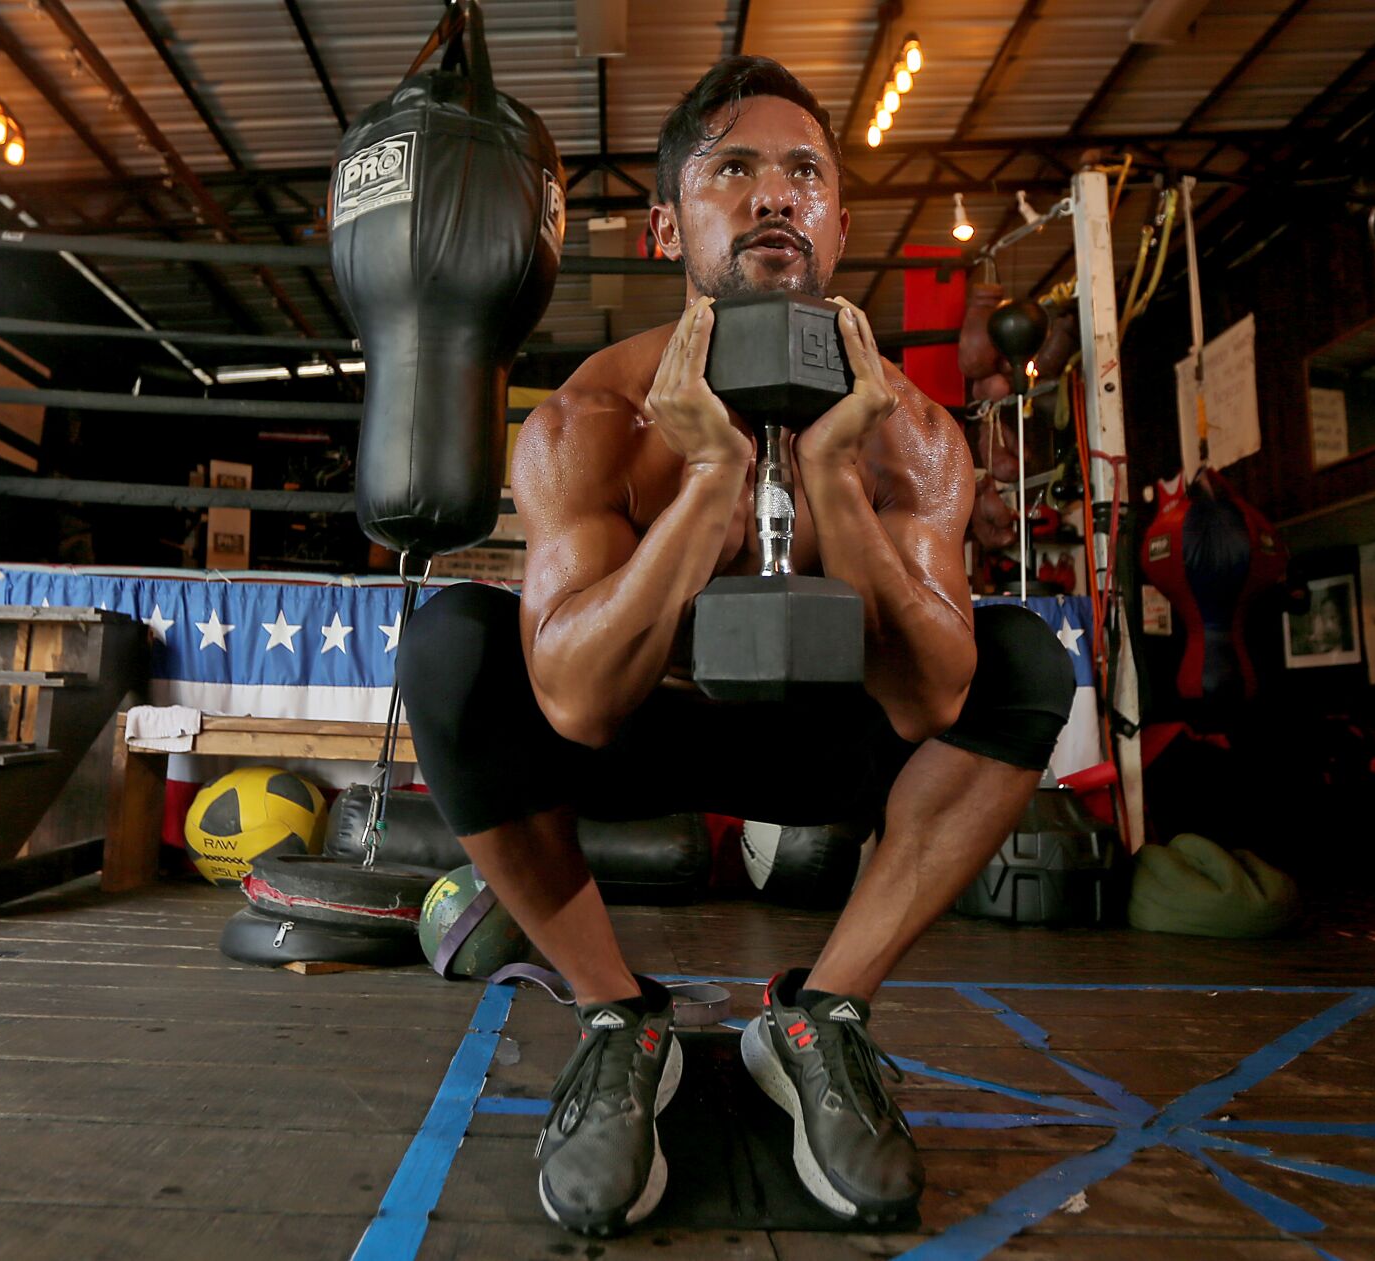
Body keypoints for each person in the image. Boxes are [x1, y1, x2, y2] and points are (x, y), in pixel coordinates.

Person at [397, 55, 1075, 1237]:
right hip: (639, 734)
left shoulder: (909, 435)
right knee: (452, 644)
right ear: (669, 224)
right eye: (734, 170)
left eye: (803, 173)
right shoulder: (587, 420)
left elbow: (931, 698)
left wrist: (829, 475)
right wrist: (712, 475)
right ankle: (618, 1017)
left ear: (838, 223)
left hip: (825, 747)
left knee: (1020, 663)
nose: (774, 195)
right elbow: (574, 704)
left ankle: (821, 1014)